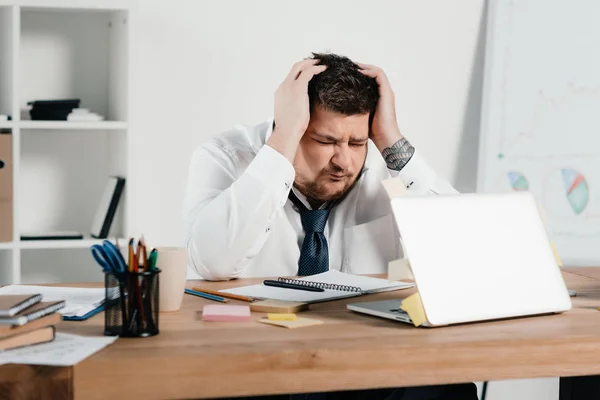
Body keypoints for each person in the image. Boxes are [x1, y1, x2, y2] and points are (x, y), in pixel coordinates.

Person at [183, 53, 477, 400]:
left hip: (363, 362)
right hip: (259, 362)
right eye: (325, 142)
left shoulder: (384, 166)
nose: (344, 162)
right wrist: (281, 144)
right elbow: (212, 261)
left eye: (356, 143)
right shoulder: (226, 157)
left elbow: (463, 256)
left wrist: (392, 142)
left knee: (444, 386)